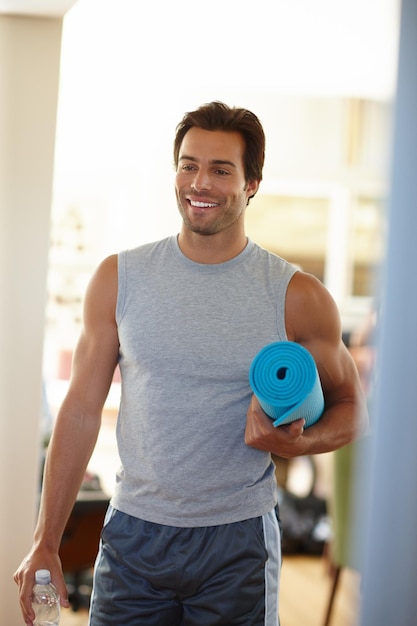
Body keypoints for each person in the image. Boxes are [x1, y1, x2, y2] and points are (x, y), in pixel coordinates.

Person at [14, 101, 368, 625]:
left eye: (221, 170)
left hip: (238, 539)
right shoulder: (119, 278)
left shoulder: (296, 295)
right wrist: (45, 540)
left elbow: (352, 410)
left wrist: (300, 442)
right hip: (135, 532)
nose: (199, 183)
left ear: (252, 183)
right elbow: (82, 409)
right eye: (188, 165)